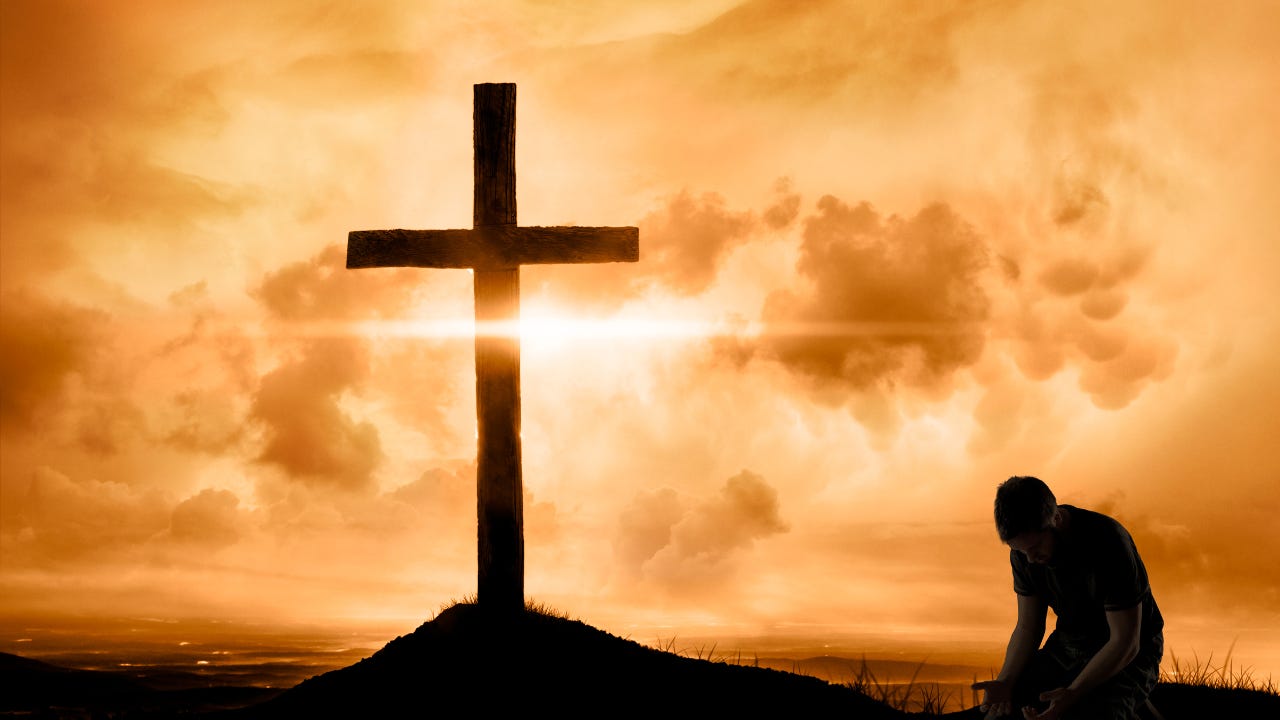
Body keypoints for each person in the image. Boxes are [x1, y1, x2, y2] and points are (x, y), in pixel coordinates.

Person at [969, 476, 1164, 720]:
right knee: (1004, 710)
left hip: (1133, 651)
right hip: (1068, 647)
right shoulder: (1024, 554)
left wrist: (1073, 693)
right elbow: (1029, 627)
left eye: (1035, 547)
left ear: (1056, 519)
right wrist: (1006, 681)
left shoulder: (1109, 542)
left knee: (1089, 714)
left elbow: (1125, 642)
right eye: (1019, 550)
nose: (1030, 559)